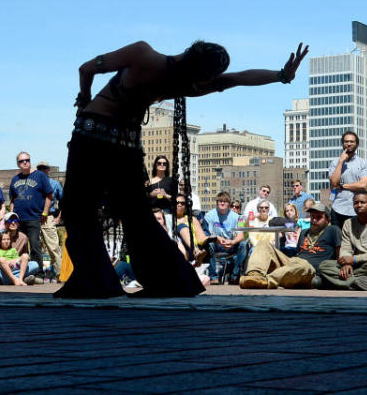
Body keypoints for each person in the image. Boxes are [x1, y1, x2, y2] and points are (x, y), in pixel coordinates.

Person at [57, 40, 307, 299]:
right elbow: (237, 78)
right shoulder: (186, 83)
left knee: (80, 209)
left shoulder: (143, 54)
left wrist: (85, 97)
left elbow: (87, 68)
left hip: (92, 136)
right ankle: (169, 280)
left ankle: (95, 280)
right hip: (125, 145)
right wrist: (280, 76)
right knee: (137, 217)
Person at [239, 202, 341, 289]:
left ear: (327, 220)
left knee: (303, 265)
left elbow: (339, 256)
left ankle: (265, 280)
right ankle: (254, 274)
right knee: (263, 244)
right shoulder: (304, 232)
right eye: (312, 216)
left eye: (318, 217)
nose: (314, 220)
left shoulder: (333, 230)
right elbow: (298, 253)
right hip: (293, 263)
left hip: (310, 271)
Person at [317, 190, 367, 291]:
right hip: (354, 264)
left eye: (363, 202)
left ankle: (334, 281)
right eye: (356, 203)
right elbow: (345, 247)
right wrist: (346, 263)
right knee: (324, 265)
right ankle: (356, 282)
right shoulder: (348, 223)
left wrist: (354, 259)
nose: (359, 205)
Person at [10, 152, 53, 280]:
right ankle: (22, 274)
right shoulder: (15, 179)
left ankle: (39, 274)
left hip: (34, 217)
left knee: (35, 245)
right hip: (18, 219)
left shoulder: (40, 176)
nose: (25, 162)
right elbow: (12, 199)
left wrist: (45, 212)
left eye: (27, 160)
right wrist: (11, 216)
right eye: (22, 161)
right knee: (20, 246)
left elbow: (49, 195)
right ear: (18, 163)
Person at [201, 192, 249, 284]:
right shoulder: (209, 215)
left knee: (244, 243)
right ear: (217, 202)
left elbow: (243, 234)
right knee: (208, 242)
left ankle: (235, 275)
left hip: (231, 244)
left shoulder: (239, 217)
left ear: (229, 204)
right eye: (220, 201)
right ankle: (213, 276)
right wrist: (218, 240)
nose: (222, 203)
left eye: (225, 201)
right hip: (216, 244)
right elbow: (208, 233)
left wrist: (232, 242)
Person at [328, 131, 367, 228]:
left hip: (358, 209)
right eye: (346, 141)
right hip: (338, 208)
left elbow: (363, 185)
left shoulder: (363, 163)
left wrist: (342, 186)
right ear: (342, 143)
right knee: (338, 241)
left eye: (352, 141)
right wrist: (340, 162)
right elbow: (334, 183)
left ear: (357, 144)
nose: (348, 144)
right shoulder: (335, 163)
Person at [0, 213, 42, 285]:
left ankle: (16, 279)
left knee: (35, 265)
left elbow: (24, 257)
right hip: (1, 267)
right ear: (5, 224)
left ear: (18, 224)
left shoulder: (23, 237)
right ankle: (21, 279)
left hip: (16, 266)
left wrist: (15, 261)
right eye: (9, 221)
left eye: (15, 221)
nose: (13, 223)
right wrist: (4, 263)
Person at [37, 161, 64, 281]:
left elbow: (63, 201)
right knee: (38, 248)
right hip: (34, 217)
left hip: (49, 217)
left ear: (49, 170)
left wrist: (59, 217)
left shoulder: (55, 183)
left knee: (53, 247)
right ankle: (42, 275)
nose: (43, 169)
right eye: (40, 168)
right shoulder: (34, 184)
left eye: (45, 168)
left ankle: (60, 273)